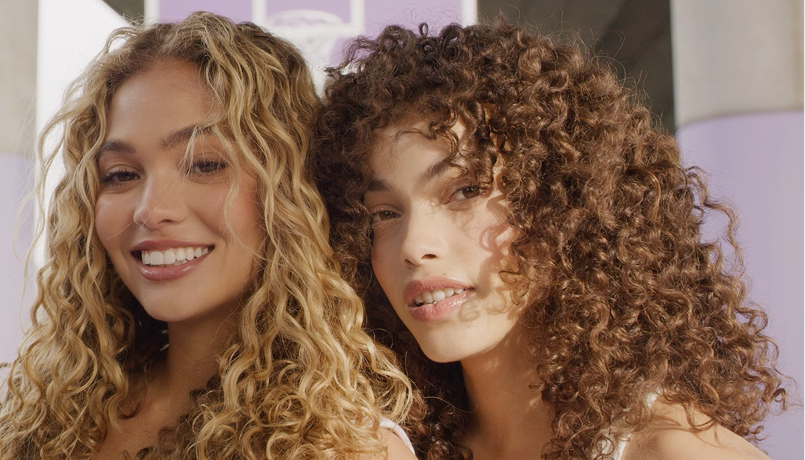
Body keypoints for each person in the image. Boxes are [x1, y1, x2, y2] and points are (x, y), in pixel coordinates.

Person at [312, 20, 788, 460]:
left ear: (564, 201)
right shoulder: (377, 446)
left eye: (465, 191)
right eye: (385, 214)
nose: (413, 246)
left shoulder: (675, 453)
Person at [0, 12, 417, 460]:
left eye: (206, 165)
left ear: (294, 193)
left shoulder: (348, 448)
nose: (151, 210)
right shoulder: (38, 424)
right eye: (121, 174)